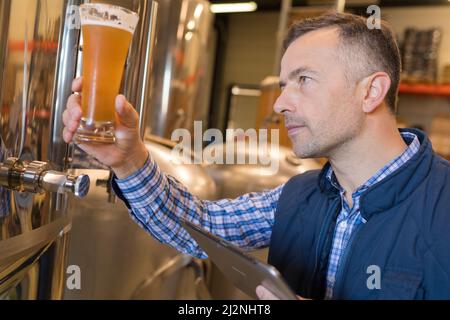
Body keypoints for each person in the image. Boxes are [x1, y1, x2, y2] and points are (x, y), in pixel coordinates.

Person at [63, 12, 450, 300]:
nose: (280, 103)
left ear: (371, 91)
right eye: (284, 85)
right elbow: (199, 227)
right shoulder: (297, 196)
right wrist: (128, 160)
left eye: (304, 80)